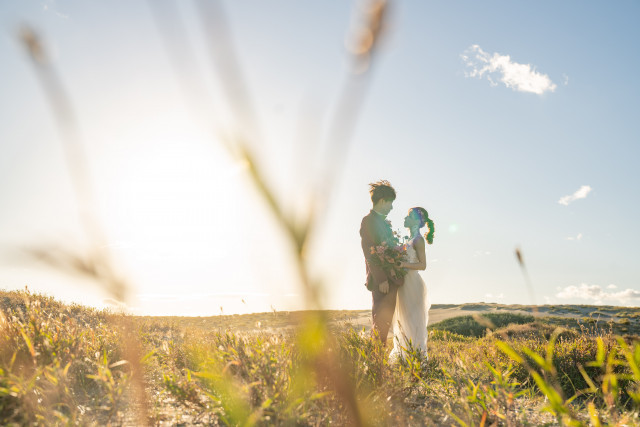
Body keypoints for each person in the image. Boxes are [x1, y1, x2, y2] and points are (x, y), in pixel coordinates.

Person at [360, 180, 404, 343]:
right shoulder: (369, 221)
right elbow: (369, 252)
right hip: (383, 282)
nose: (391, 207)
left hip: (390, 279)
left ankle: (377, 358)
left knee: (384, 323)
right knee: (380, 323)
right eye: (390, 203)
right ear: (382, 201)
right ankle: (375, 360)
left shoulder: (383, 223)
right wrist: (382, 279)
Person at [389, 207, 434, 361]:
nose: (405, 218)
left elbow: (423, 265)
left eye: (408, 216)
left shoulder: (418, 240)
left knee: (413, 322)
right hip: (403, 284)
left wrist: (402, 265)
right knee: (402, 320)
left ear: (415, 220)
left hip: (413, 284)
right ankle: (404, 358)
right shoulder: (407, 240)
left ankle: (417, 360)